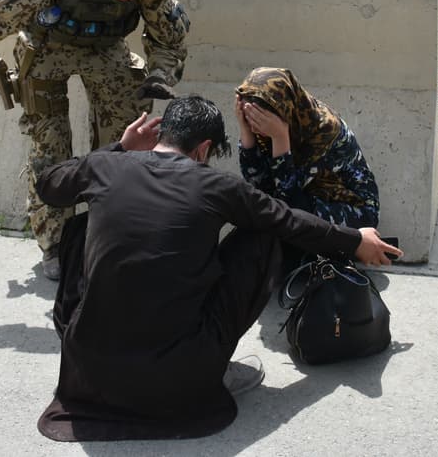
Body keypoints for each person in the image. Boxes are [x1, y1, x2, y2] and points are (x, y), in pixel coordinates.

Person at [34, 95, 402, 441]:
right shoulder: (215, 185)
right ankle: (211, 367)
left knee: (79, 227)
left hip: (91, 372)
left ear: (162, 135)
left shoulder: (105, 167)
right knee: (264, 232)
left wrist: (120, 147)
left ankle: (115, 357)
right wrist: (354, 239)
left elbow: (49, 186)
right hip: (180, 380)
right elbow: (289, 220)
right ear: (204, 149)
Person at [0, 0, 189, 279]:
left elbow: (170, 38)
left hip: (106, 46)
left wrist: (160, 74)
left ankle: (112, 231)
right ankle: (56, 243)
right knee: (50, 145)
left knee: (126, 141)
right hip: (47, 46)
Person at [234, 66, 379, 229]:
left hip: (355, 213)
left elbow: (288, 201)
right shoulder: (270, 127)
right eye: (249, 118)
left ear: (282, 111)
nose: (255, 128)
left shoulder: (322, 130)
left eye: (258, 120)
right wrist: (246, 131)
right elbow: (260, 186)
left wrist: (280, 137)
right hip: (304, 203)